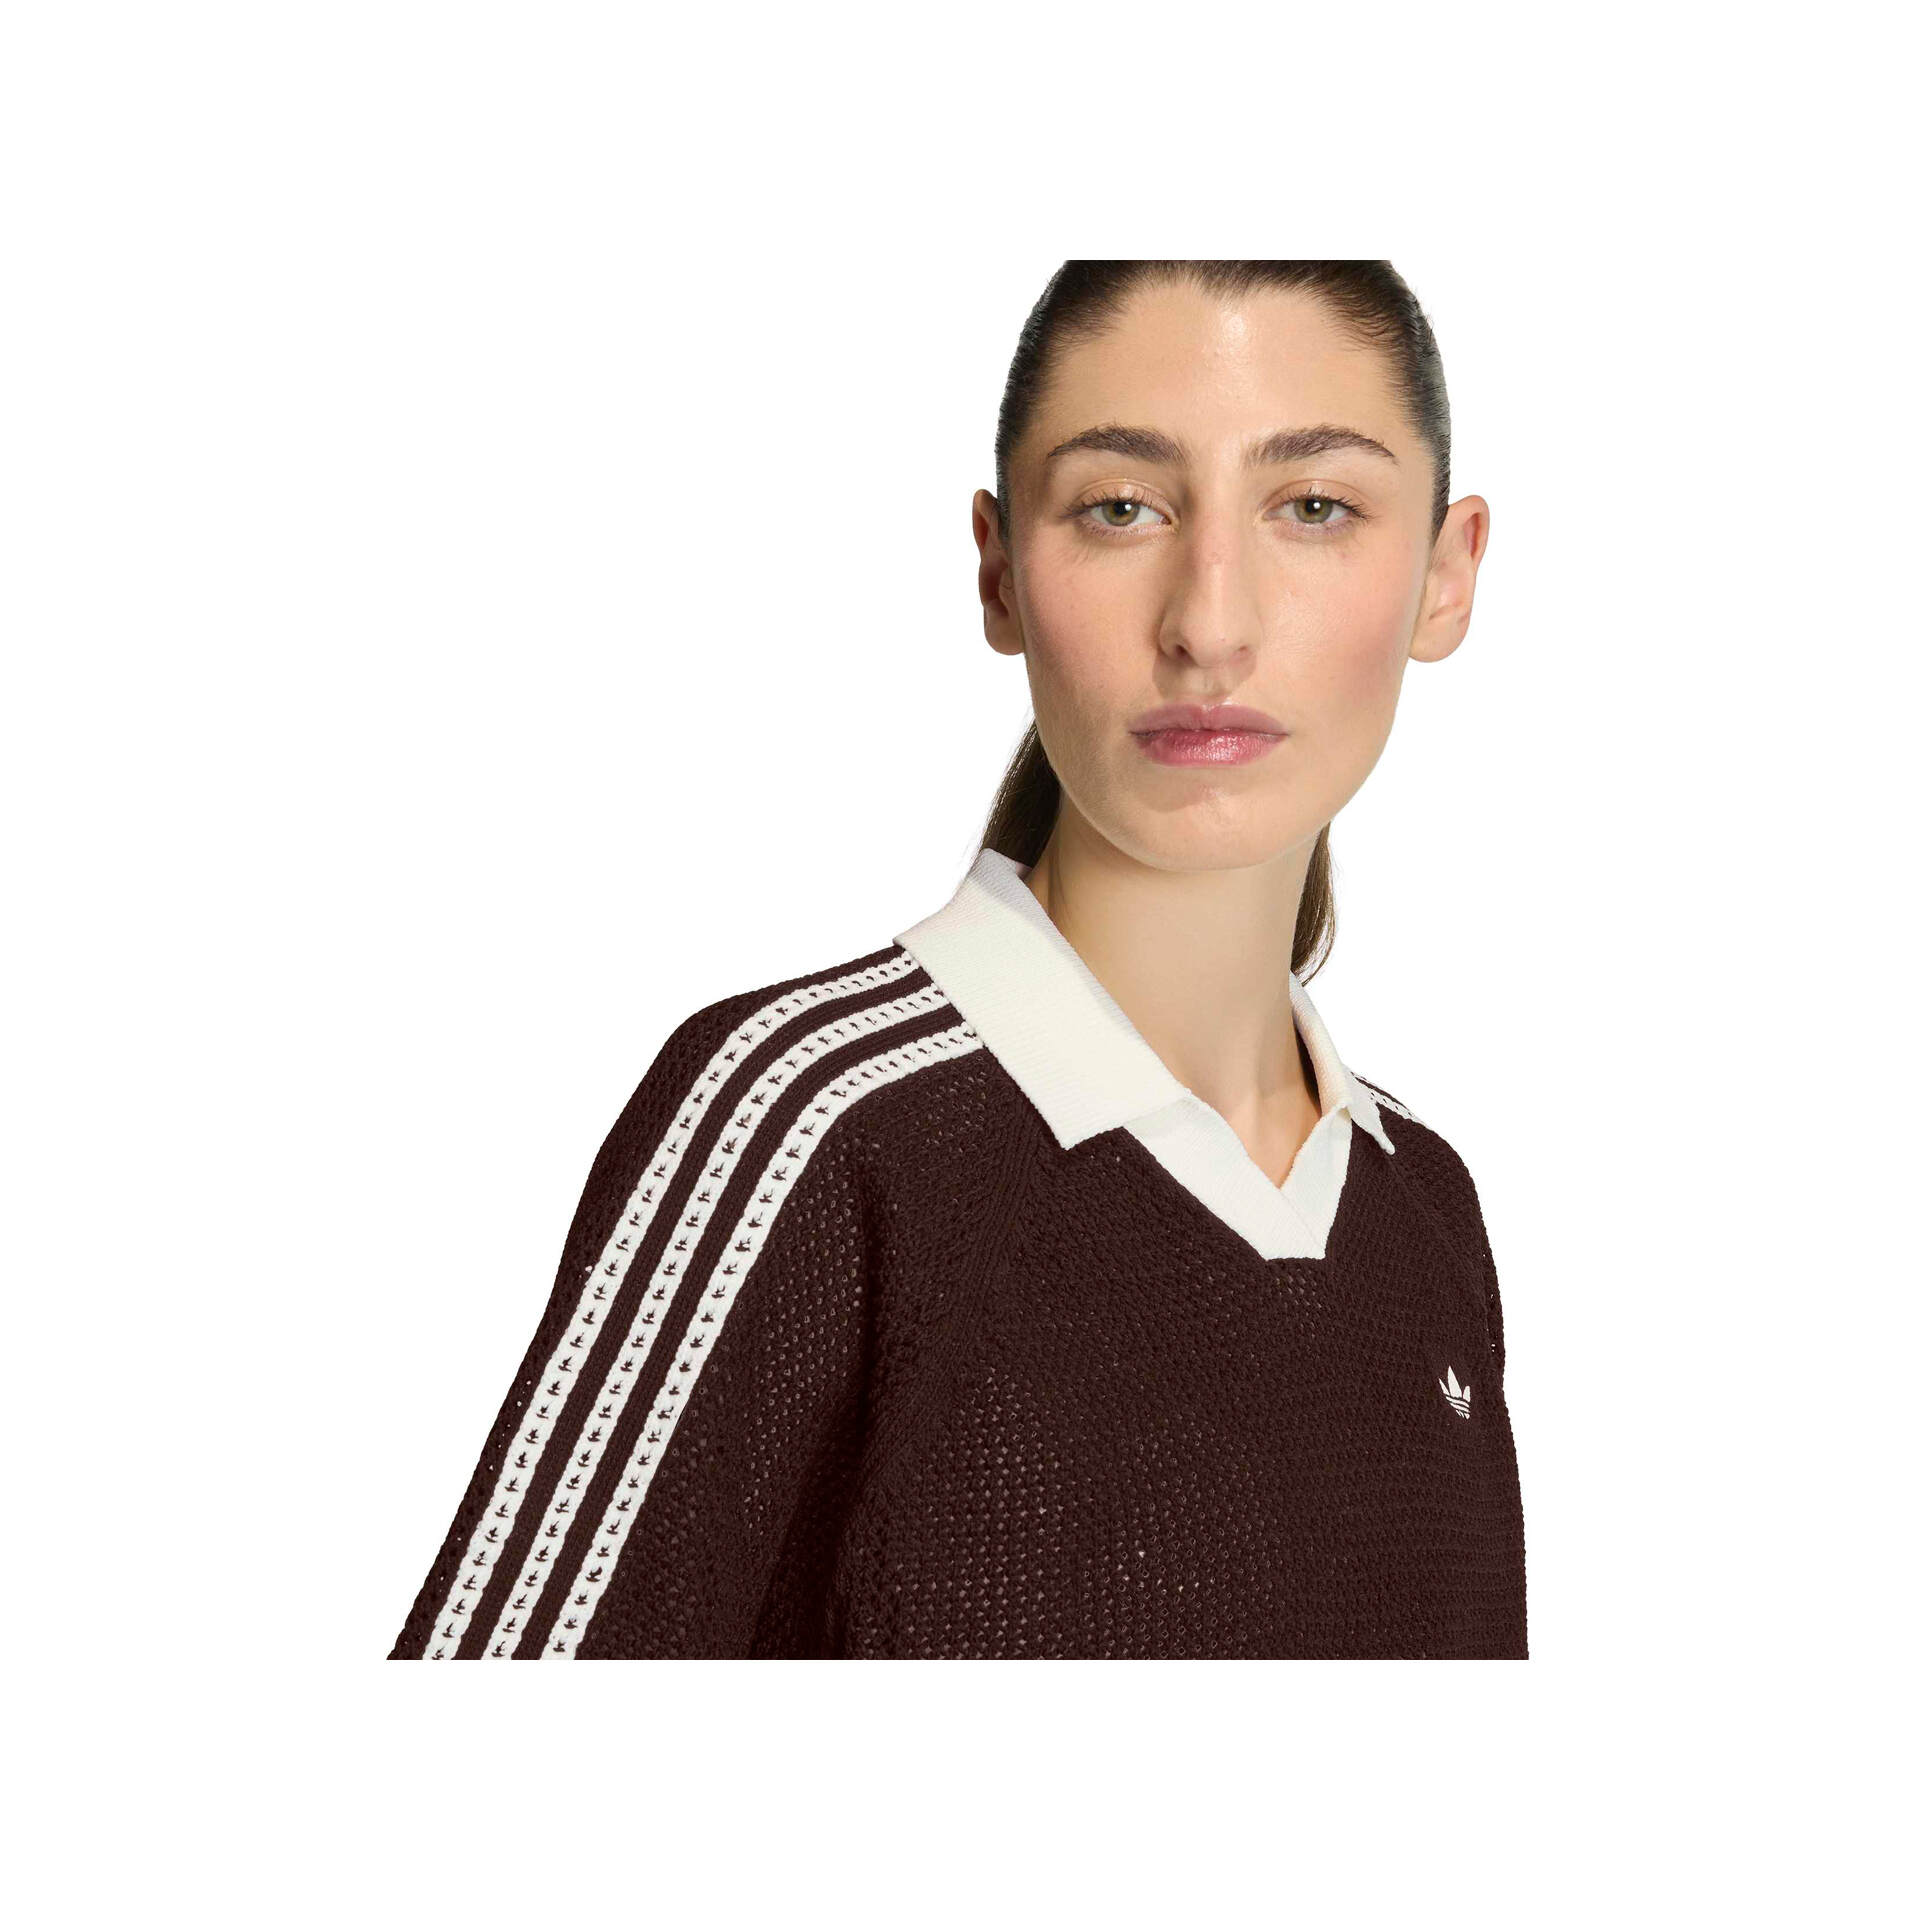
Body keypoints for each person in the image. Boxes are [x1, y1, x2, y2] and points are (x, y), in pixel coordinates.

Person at [389, 259, 1523, 1661]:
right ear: (999, 568)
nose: (1209, 623)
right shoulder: (809, 1126)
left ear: (1447, 575)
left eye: (1314, 509)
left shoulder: (1425, 1210)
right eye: (1121, 507)